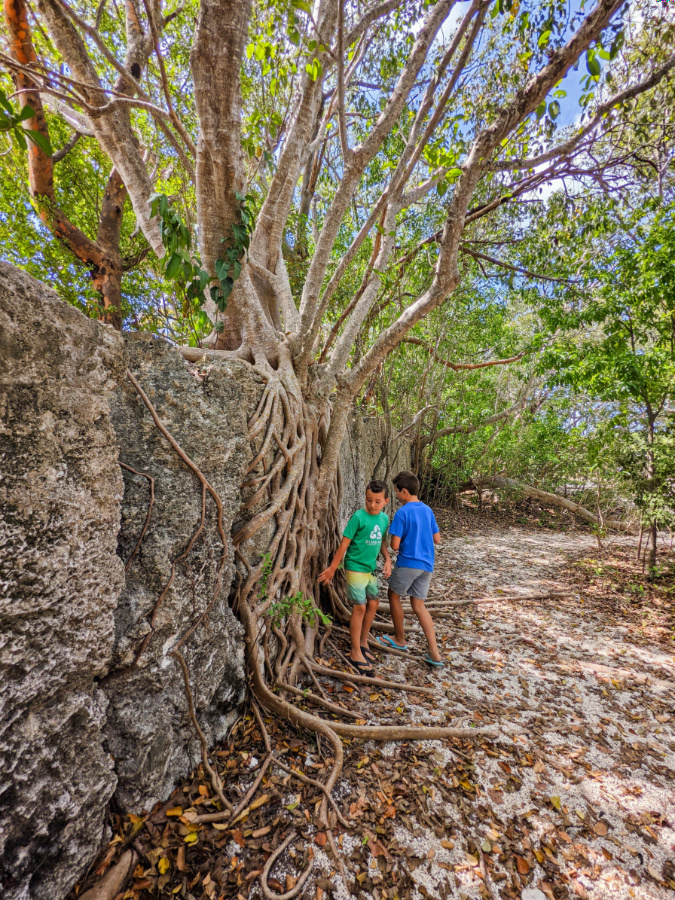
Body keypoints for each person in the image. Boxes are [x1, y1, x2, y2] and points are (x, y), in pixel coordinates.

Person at [318, 480, 391, 677]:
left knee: (374, 603)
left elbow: (381, 541)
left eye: (377, 501)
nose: (372, 505)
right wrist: (333, 568)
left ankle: (363, 641)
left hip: (370, 568)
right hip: (355, 568)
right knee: (360, 607)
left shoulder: (384, 519)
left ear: (385, 501)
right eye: (368, 500)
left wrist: (387, 559)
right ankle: (355, 651)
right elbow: (344, 545)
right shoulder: (358, 517)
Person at [377, 470, 444, 667]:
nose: (396, 496)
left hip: (408, 563)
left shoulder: (402, 512)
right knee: (418, 605)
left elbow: (395, 546)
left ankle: (399, 639)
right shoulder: (427, 510)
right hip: (427, 565)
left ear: (404, 492)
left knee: (393, 595)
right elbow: (437, 539)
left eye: (397, 492)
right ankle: (434, 652)